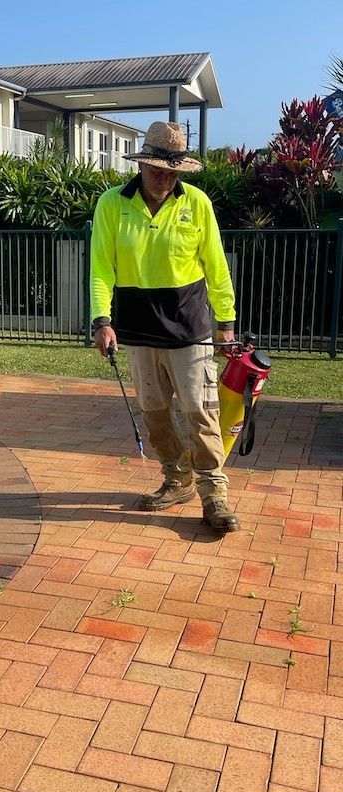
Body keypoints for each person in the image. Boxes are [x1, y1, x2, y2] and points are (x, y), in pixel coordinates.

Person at [90, 120, 239, 534]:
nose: (165, 178)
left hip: (190, 329)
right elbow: (101, 267)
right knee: (154, 414)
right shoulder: (111, 204)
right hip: (136, 330)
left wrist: (225, 323)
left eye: (172, 171)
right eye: (157, 169)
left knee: (201, 414)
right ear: (141, 165)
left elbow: (217, 266)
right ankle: (177, 479)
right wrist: (101, 320)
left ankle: (214, 494)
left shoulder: (197, 203)